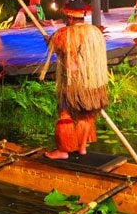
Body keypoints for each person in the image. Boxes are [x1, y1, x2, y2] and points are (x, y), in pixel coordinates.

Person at [39, 24, 109, 159]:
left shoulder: (69, 34)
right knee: (86, 115)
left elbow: (55, 47)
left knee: (65, 114)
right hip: (92, 82)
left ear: (70, 17)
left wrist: (49, 41)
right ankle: (82, 148)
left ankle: (63, 150)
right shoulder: (93, 32)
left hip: (74, 83)